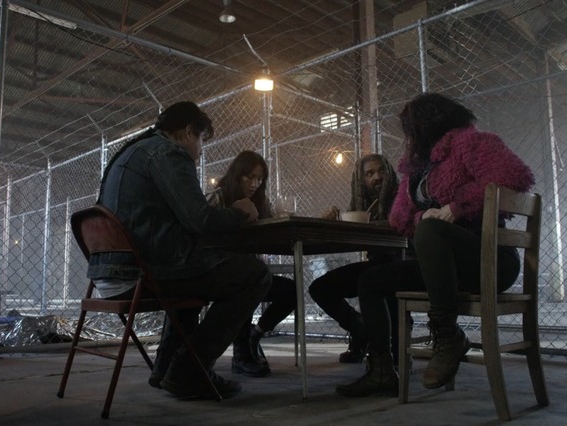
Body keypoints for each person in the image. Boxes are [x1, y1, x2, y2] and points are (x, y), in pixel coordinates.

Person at [335, 92, 535, 397]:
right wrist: (423, 217)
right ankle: (381, 371)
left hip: (488, 261)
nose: (407, 137)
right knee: (371, 279)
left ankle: (446, 334)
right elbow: (400, 217)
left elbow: (514, 176)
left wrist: (456, 207)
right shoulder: (415, 169)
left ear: (427, 123)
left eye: (410, 128)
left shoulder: (472, 142)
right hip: (440, 268)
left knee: (431, 229)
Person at [90, 101, 272, 399]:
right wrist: (239, 212)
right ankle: (190, 371)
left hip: (108, 272)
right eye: (201, 140)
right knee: (256, 275)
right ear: (189, 132)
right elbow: (199, 219)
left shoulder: (130, 151)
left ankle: (166, 371)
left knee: (193, 279)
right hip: (139, 273)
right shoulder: (168, 153)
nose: (200, 151)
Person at [206, 150, 296, 377]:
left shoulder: (260, 203)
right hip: (218, 273)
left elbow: (270, 238)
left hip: (253, 274)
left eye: (259, 179)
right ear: (237, 175)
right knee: (244, 282)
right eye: (250, 177)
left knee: (291, 290)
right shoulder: (218, 197)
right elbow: (204, 234)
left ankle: (256, 333)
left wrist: (278, 224)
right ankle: (241, 355)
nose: (255, 183)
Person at [308, 154, 401, 363]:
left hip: (404, 263)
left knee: (380, 284)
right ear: (362, 181)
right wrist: (334, 222)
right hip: (375, 264)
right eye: (370, 174)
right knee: (320, 288)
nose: (377, 177)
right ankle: (360, 331)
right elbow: (351, 236)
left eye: (381, 171)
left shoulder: (402, 195)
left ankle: (388, 357)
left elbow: (404, 227)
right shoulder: (361, 203)